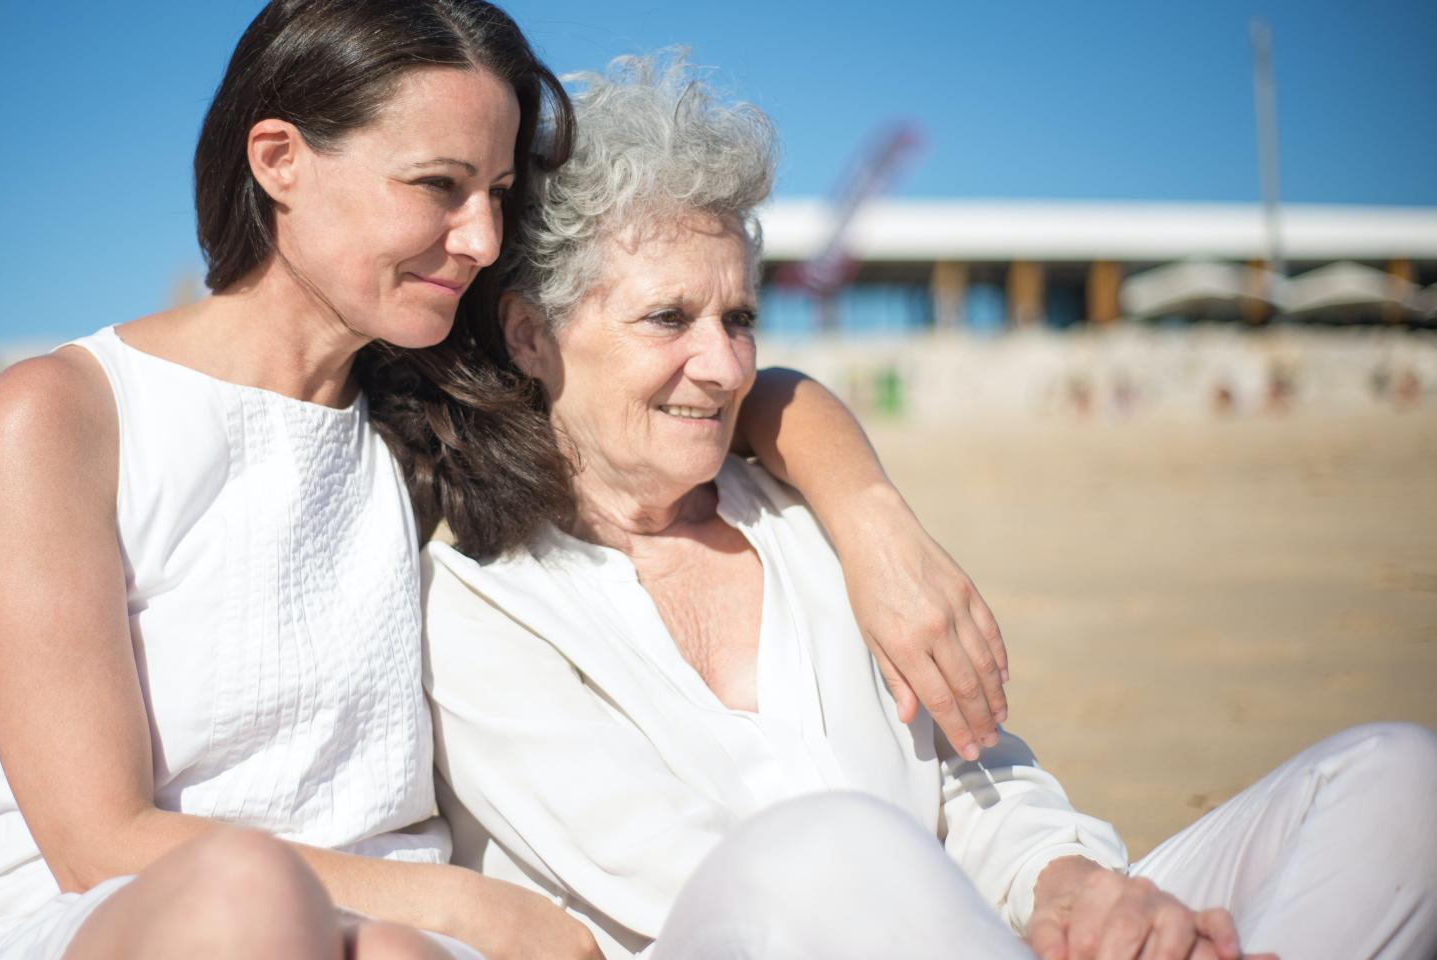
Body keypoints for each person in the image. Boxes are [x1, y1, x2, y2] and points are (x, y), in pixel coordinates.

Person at [0, 5, 1013, 959]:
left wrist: (871, 520)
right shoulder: (66, 416)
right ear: (277, 159)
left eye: (494, 193)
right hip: (128, 918)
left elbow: (732, 389)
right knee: (249, 903)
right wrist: (474, 910)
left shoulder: (428, 411)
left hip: (395, 931)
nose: (481, 237)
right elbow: (97, 839)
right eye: (439, 188)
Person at [420, 53, 1437, 960]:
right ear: (525, 334)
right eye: (667, 319)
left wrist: (1067, 887)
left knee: (1395, 785)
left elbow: (976, 779)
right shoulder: (475, 596)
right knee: (827, 847)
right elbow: (698, 885)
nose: (724, 365)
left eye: (738, 317)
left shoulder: (804, 519)